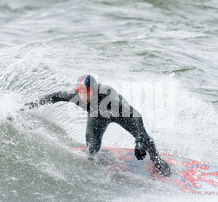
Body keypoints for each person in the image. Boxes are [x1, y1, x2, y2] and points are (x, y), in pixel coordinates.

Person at [24, 74, 171, 176]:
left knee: (145, 139)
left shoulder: (108, 95)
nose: (82, 95)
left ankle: (157, 160)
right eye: (79, 91)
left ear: (94, 90)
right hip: (97, 117)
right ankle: (99, 165)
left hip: (120, 115)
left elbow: (135, 116)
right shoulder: (75, 95)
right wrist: (28, 106)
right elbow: (54, 96)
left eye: (86, 92)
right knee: (91, 149)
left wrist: (139, 141)